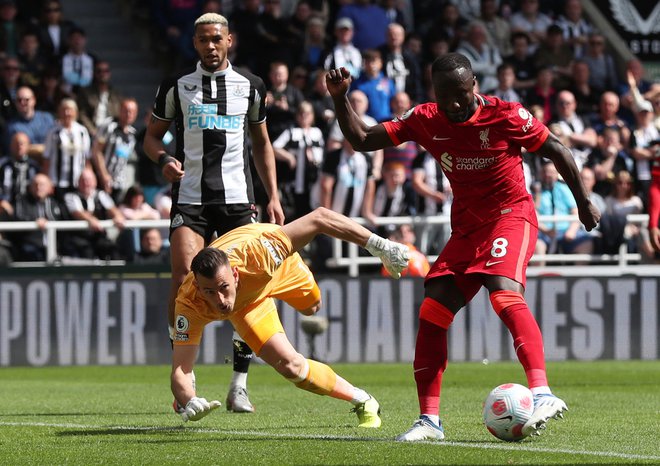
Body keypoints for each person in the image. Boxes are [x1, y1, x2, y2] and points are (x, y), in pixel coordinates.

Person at [325, 52, 600, 441]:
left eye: (459, 94)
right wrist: (340, 98)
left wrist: (584, 202)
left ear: (474, 86)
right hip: (466, 229)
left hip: (511, 215)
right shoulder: (425, 118)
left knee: (503, 294)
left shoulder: (506, 115)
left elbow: (558, 150)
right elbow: (362, 139)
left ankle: (543, 393)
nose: (452, 104)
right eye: (444, 96)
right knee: (432, 311)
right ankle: (430, 421)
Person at [143, 12, 285, 414]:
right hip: (190, 198)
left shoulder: (251, 87)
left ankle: (239, 383)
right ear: (194, 43)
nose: (210, 46)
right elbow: (151, 138)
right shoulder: (176, 87)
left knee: (244, 286)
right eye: (203, 40)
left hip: (239, 200)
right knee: (185, 273)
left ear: (229, 41)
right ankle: (183, 378)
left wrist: (272, 195)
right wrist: (164, 159)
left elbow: (262, 144)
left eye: (216, 39)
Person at [170, 206, 409, 425]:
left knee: (312, 307)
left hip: (279, 270)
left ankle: (265, 299)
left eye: (224, 288)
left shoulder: (259, 255)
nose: (220, 301)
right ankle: (363, 400)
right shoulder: (189, 302)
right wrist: (189, 399)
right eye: (209, 292)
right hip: (248, 303)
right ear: (199, 288)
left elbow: (320, 217)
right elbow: (181, 371)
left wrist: (380, 246)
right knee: (290, 366)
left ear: (234, 274)